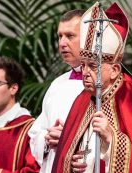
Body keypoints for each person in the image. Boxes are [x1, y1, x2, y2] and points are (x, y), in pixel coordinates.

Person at [53, 2, 132, 173]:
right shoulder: (82, 100)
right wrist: (73, 161)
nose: (85, 72)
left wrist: (112, 138)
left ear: (114, 70)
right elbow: (68, 155)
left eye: (93, 65)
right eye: (83, 65)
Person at [27, 9, 85, 173]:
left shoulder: (106, 85)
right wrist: (46, 139)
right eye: (60, 36)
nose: (62, 43)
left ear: (90, 38)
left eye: (70, 36)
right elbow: (35, 133)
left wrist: (70, 140)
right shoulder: (58, 84)